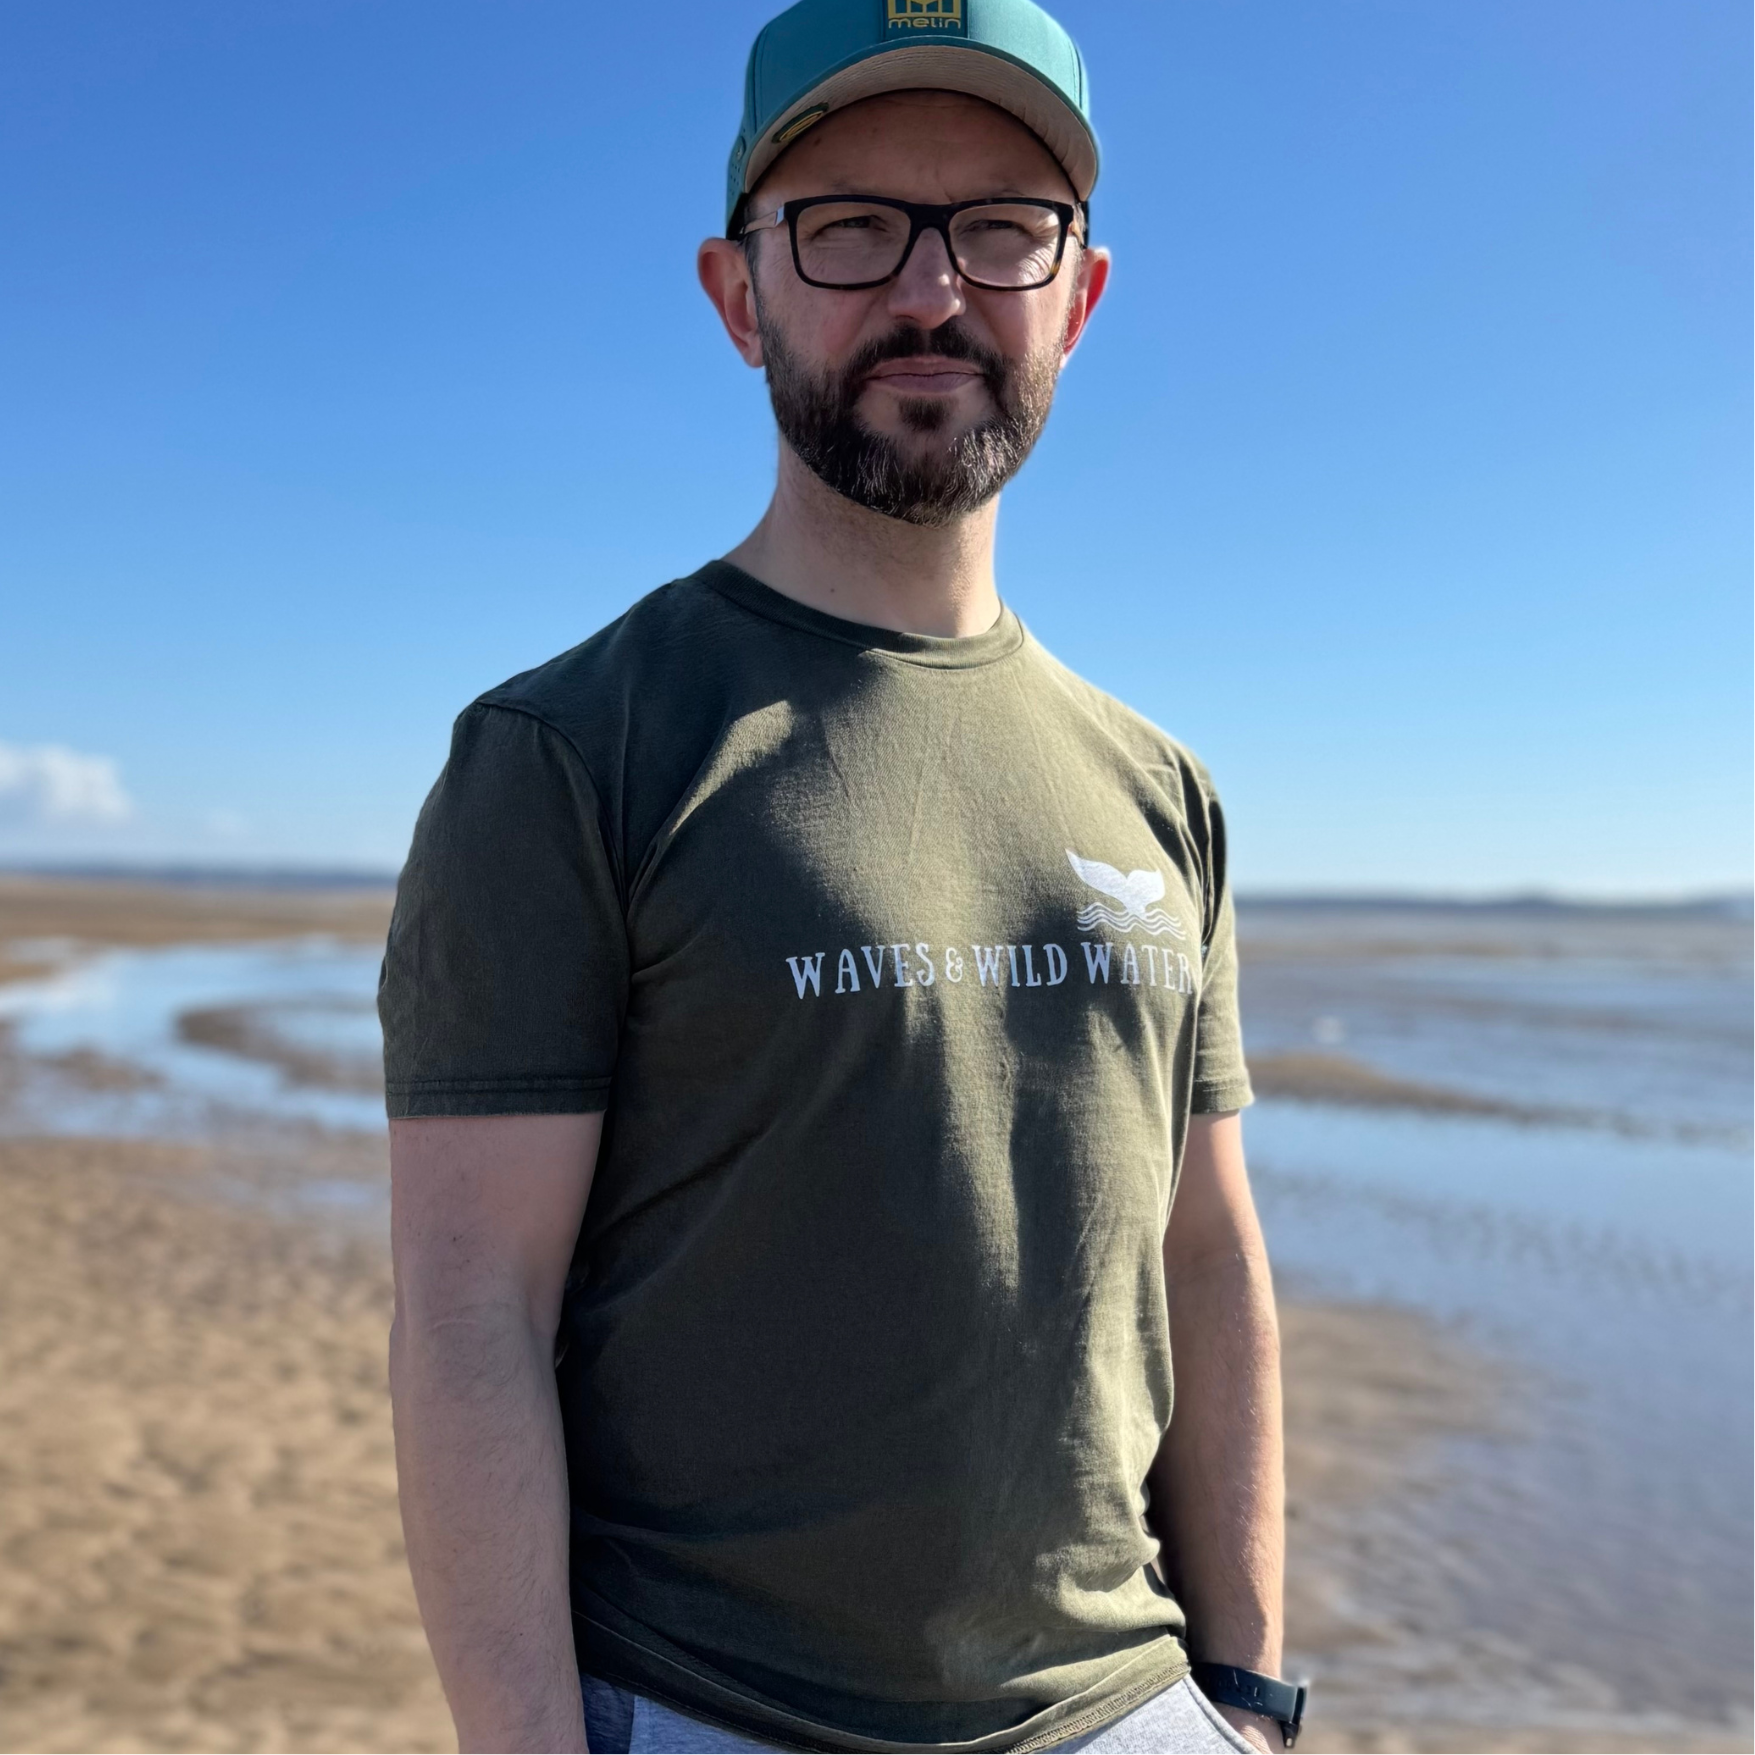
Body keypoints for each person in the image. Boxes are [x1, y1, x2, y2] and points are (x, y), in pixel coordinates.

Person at [380, 1, 1303, 1750]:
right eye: (851, 224)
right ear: (741, 295)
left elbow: (1205, 1244)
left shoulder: (1161, 783)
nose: (931, 290)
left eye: (1000, 227)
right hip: (719, 1706)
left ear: (1079, 297)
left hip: (1130, 1706)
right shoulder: (574, 750)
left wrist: (1244, 1690)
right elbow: (465, 1307)